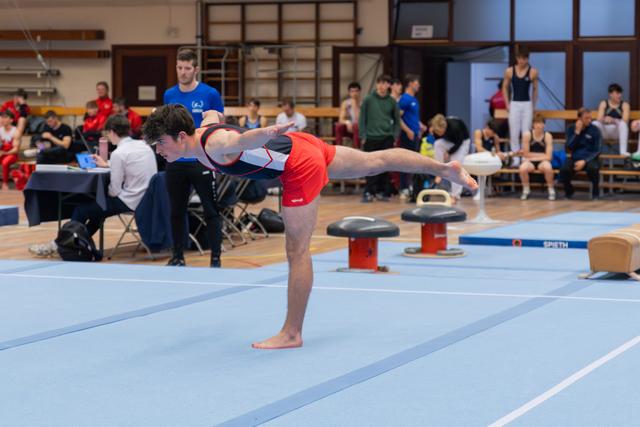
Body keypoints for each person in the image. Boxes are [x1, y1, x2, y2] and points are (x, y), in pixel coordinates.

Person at [143, 104, 478, 349]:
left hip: (298, 166)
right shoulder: (202, 132)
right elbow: (213, 116)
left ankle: (292, 333)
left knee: (297, 250)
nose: (159, 151)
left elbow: (239, 141)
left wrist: (263, 133)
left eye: (161, 144)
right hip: (304, 145)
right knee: (376, 161)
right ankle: (445, 169)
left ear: (182, 136)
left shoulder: (214, 145)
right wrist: (216, 118)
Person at [163, 48, 224, 268]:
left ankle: (215, 258)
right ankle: (177, 256)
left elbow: (219, 120)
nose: (182, 72)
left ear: (195, 69)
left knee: (211, 209)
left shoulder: (209, 94)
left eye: (187, 68)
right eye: (179, 68)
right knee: (176, 210)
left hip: (201, 160)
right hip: (177, 162)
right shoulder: (169, 95)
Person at [72, 115, 157, 238]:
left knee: (81, 210)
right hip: (148, 198)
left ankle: (67, 242)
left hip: (131, 201)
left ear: (111, 131)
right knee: (99, 211)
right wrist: (107, 164)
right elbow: (131, 164)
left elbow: (114, 191)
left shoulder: (119, 153)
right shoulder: (144, 146)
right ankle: (80, 240)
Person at [359, 74, 400, 202]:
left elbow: (397, 120)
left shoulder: (392, 101)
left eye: (385, 83)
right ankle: (368, 192)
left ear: (389, 85)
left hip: (387, 137)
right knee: (369, 166)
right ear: (377, 84)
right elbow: (362, 119)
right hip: (371, 137)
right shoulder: (368, 99)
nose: (382, 86)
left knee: (384, 166)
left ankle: (382, 191)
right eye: (380, 83)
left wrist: (394, 136)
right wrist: (363, 136)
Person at [502, 47, 538, 166]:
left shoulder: (532, 71)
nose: (523, 61)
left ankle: (524, 156)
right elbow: (505, 87)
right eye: (521, 59)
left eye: (525, 59)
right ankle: (515, 157)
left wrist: (533, 105)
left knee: (526, 131)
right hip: (514, 103)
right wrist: (507, 103)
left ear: (527, 59)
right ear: (517, 59)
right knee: (514, 131)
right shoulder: (509, 71)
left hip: (527, 103)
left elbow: (535, 89)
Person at [560, 108, 602, 200]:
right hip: (575, 157)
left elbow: (598, 150)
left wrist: (585, 161)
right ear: (579, 119)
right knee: (564, 169)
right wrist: (577, 133)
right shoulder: (571, 129)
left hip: (590, 158)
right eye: (586, 118)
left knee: (593, 168)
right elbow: (569, 147)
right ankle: (569, 191)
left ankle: (595, 193)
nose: (589, 120)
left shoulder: (595, 130)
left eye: (590, 118)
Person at [430, 114, 471, 202]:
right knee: (438, 144)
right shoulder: (435, 128)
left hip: (462, 142)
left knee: (455, 166)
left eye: (441, 132)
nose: (439, 134)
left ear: (445, 126)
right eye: (437, 132)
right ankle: (439, 170)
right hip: (450, 140)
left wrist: (449, 152)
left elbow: (459, 142)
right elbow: (437, 138)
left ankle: (455, 195)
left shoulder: (454, 127)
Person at [398, 74, 427, 198]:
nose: (419, 85)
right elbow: (398, 118)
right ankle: (403, 187)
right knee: (405, 161)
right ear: (410, 83)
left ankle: (411, 186)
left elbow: (413, 118)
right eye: (417, 82)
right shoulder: (404, 99)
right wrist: (408, 131)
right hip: (407, 135)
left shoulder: (414, 99)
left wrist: (420, 126)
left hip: (415, 135)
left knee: (413, 162)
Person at [519, 114, 555, 201]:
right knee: (522, 168)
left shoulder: (547, 136)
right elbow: (526, 154)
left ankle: (551, 190)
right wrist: (542, 155)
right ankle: (526, 190)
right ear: (533, 125)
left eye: (541, 123)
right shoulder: (527, 135)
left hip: (542, 162)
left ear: (544, 125)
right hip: (530, 161)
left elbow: (549, 156)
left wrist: (534, 156)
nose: (539, 125)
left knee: (548, 167)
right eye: (536, 123)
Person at [592, 83, 631, 156]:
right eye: (617, 93)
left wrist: (613, 120)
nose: (620, 95)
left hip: (617, 132)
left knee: (623, 124)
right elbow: (599, 119)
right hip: (605, 132)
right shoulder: (604, 103)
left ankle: (623, 151)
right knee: (595, 123)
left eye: (620, 93)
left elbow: (625, 121)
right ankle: (594, 150)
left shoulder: (625, 105)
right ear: (610, 94)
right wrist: (605, 119)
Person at [334, 82, 361, 148]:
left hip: (359, 128)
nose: (354, 93)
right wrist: (347, 122)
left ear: (360, 92)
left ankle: (356, 149)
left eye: (356, 91)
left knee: (356, 126)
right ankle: (338, 149)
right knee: (338, 126)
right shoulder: (346, 103)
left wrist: (355, 105)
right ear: (349, 92)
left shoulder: (364, 103)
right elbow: (341, 119)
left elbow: (358, 119)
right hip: (349, 127)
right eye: (352, 91)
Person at [0, 111, 19, 190]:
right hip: (2, 153)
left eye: (5, 117)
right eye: (2, 117)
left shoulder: (16, 131)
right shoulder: (0, 130)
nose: (3, 119)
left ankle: (5, 184)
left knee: (5, 162)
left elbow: (16, 149)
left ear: (11, 120)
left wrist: (4, 152)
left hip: (12, 154)